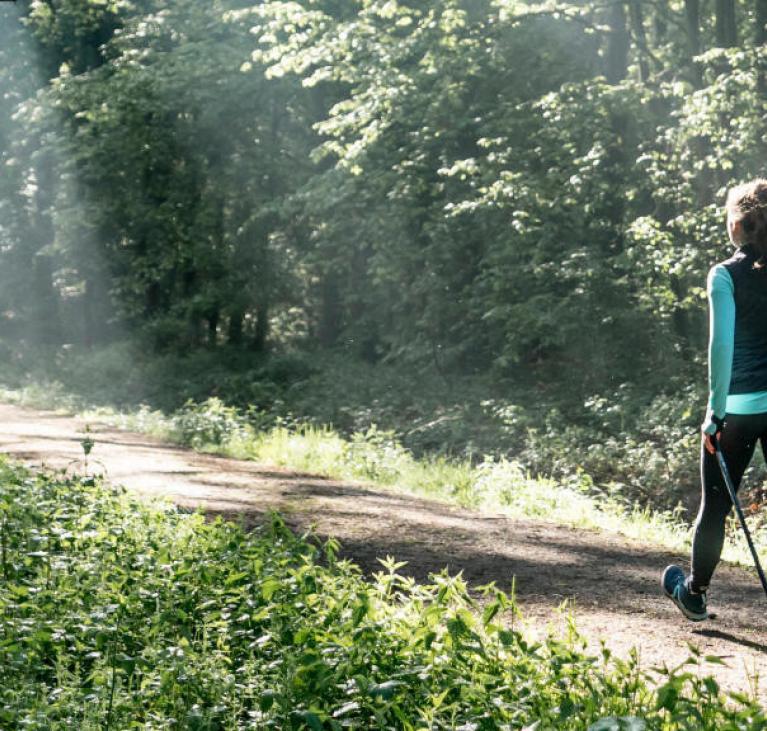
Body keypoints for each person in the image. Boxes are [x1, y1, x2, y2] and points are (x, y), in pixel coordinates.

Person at [662, 179, 767, 621]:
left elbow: (721, 347)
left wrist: (714, 413)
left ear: (738, 225)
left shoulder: (723, 274)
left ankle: (695, 594)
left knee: (716, 506)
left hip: (740, 409)